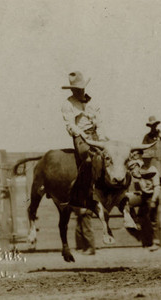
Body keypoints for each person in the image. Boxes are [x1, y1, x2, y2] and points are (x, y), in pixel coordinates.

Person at [61, 71, 108, 207]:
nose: (78, 91)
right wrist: (83, 135)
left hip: (95, 134)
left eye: (80, 88)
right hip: (81, 137)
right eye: (75, 89)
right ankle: (80, 193)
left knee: (111, 152)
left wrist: (102, 137)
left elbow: (99, 122)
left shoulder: (93, 102)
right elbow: (70, 125)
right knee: (89, 158)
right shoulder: (68, 104)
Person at [125, 156, 161, 251]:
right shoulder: (139, 169)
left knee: (152, 219)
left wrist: (153, 200)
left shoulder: (152, 170)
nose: (145, 161)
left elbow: (157, 187)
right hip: (144, 195)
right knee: (127, 202)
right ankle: (135, 222)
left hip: (152, 195)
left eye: (148, 159)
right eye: (144, 159)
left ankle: (156, 242)